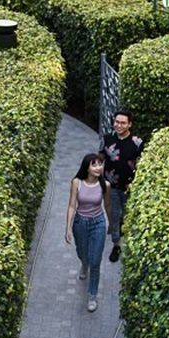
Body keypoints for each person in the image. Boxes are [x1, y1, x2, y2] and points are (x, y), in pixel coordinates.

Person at [65, 153, 112, 312]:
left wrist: (111, 223)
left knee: (96, 261)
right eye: (94, 164)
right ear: (87, 167)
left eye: (100, 164)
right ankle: (84, 264)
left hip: (98, 223)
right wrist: (68, 228)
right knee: (82, 253)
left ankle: (92, 295)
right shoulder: (76, 183)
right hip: (80, 223)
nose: (99, 167)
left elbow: (107, 206)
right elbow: (72, 205)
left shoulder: (105, 185)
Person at [100, 110, 143, 262]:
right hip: (110, 186)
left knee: (127, 214)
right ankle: (117, 244)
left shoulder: (137, 142)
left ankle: (128, 242)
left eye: (123, 123)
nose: (118, 125)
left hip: (129, 187)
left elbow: (142, 164)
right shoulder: (107, 139)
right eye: (116, 122)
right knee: (114, 215)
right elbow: (100, 158)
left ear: (129, 124)